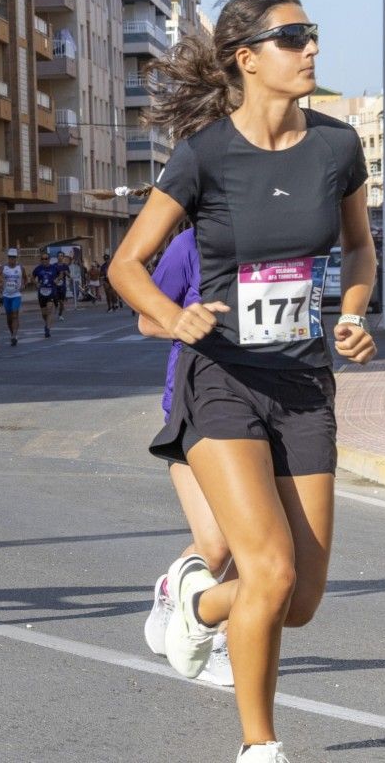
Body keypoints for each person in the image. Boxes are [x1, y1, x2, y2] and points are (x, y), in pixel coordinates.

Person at [108, 0, 377, 763]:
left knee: (298, 600)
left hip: (301, 382)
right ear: (246, 58)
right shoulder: (203, 157)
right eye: (292, 37)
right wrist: (173, 312)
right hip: (220, 376)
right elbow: (126, 264)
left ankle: (194, 603)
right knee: (268, 566)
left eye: (312, 33)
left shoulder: (336, 147)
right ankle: (260, 746)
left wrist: (352, 313)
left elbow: (356, 248)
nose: (310, 49)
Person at [136, 227, 234, 687]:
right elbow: (146, 319)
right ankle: (178, 598)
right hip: (197, 403)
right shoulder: (191, 244)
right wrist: (184, 321)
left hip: (270, 403)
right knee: (217, 547)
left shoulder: (284, 237)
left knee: (250, 544)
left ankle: (216, 639)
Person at [32, 250, 64, 338]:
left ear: (49, 259)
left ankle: (47, 329)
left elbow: (61, 273)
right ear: (41, 260)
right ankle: (47, 323)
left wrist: (57, 280)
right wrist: (36, 283)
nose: (44, 260)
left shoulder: (54, 268)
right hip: (41, 293)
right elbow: (32, 277)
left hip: (51, 291)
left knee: (49, 308)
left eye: (46, 258)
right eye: (42, 259)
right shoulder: (38, 268)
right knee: (44, 313)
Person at [0, 248, 25, 346]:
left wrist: (23, 285)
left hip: (16, 295)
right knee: (9, 317)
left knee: (15, 314)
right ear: (8, 258)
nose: (12, 259)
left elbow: (25, 279)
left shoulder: (20, 268)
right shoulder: (3, 268)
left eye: (14, 257)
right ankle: (12, 334)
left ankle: (14, 336)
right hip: (6, 295)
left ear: (16, 258)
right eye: (10, 257)